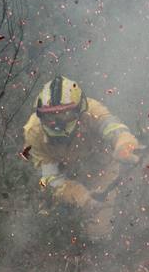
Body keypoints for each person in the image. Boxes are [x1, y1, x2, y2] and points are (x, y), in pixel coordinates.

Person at [22, 76, 140, 237]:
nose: (57, 123)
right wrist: (81, 197)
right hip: (66, 176)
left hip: (101, 168)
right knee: (45, 222)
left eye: (64, 115)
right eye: (50, 117)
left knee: (98, 229)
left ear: (79, 110)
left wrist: (123, 145)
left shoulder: (92, 111)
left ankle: (102, 242)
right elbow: (50, 178)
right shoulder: (33, 132)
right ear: (40, 115)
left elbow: (113, 127)